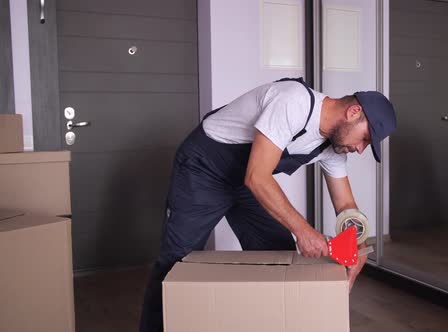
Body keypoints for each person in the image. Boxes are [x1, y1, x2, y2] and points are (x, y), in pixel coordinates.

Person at [139, 77, 396, 331]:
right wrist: (304, 231)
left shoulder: (333, 148)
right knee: (175, 263)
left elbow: (345, 205)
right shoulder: (293, 101)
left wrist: (358, 244)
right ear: (353, 112)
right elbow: (258, 177)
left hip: (244, 180)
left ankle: (270, 323)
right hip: (203, 170)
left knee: (277, 255)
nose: (361, 149)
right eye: (365, 139)